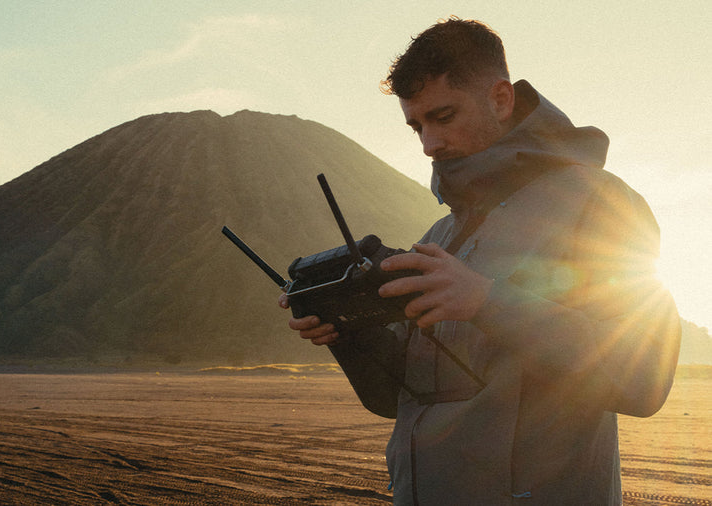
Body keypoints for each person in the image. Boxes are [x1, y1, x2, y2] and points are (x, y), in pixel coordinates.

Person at [279, 17, 681, 505]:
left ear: (500, 99)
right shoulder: (440, 238)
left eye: (443, 117)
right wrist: (349, 335)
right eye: (416, 125)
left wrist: (487, 301)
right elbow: (397, 402)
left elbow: (643, 381)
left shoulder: (599, 204)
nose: (429, 144)